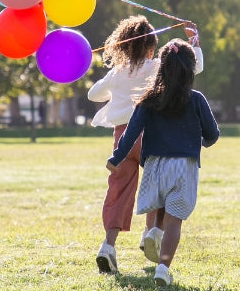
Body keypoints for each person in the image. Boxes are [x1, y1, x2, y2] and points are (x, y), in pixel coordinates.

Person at [88, 15, 203, 274]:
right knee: (159, 186)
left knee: (118, 192)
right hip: (151, 136)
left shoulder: (117, 73)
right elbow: (193, 68)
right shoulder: (156, 67)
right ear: (151, 46)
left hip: (122, 140)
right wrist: (194, 41)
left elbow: (93, 94)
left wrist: (115, 83)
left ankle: (108, 246)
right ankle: (151, 232)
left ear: (123, 46)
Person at [106, 39, 219, 286]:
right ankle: (162, 268)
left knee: (160, 205)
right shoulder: (197, 99)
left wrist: (116, 157)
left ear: (161, 67)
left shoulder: (148, 99)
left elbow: (131, 132)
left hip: (155, 165)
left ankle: (154, 232)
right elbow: (213, 134)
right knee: (174, 221)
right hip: (183, 166)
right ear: (191, 69)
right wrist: (200, 141)